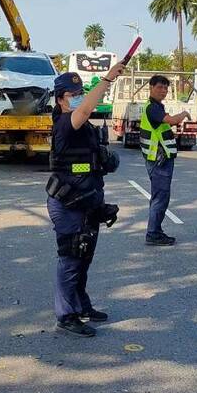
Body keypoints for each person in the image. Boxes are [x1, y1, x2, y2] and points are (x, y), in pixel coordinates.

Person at [47, 62, 125, 337]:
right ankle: (66, 316)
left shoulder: (84, 126)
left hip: (87, 201)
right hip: (68, 203)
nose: (79, 98)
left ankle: (81, 306)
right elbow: (84, 111)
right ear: (60, 99)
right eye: (73, 94)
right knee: (71, 258)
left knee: (84, 258)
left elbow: (90, 161)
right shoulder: (65, 124)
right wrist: (107, 79)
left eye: (81, 92)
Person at [140, 75, 190, 246]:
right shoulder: (153, 108)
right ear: (151, 88)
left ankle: (156, 231)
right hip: (158, 161)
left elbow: (162, 129)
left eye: (166, 88)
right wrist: (184, 113)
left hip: (159, 159)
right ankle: (153, 234)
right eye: (160, 87)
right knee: (160, 198)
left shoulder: (156, 107)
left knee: (159, 197)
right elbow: (173, 120)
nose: (163, 91)